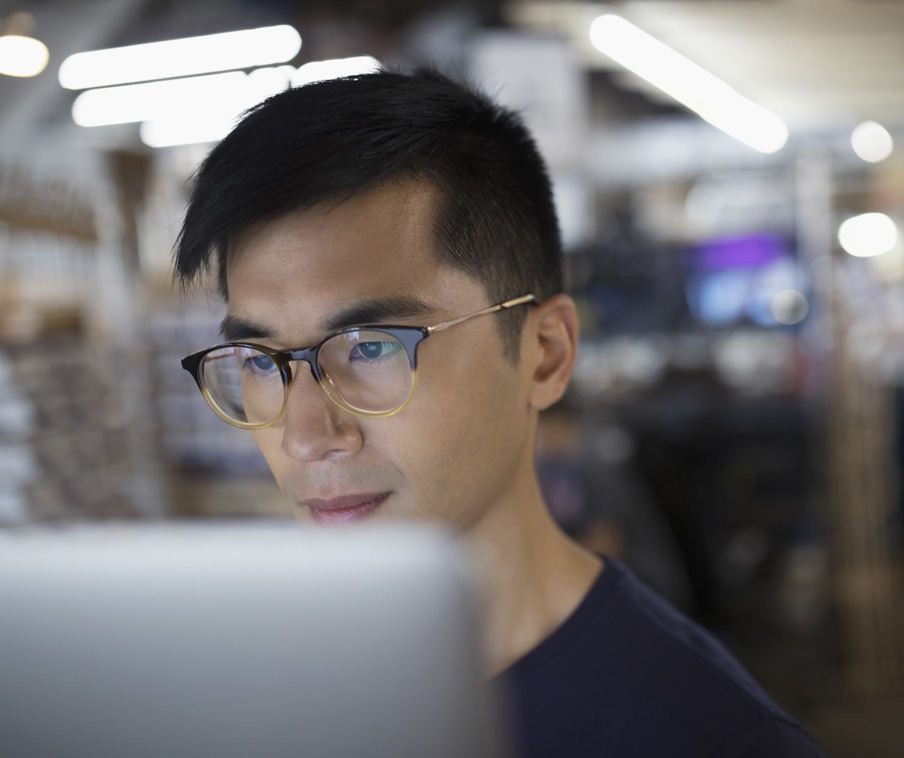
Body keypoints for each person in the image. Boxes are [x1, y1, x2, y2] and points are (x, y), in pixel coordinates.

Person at [173, 68, 822, 757]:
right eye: (256, 359)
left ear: (545, 355)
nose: (305, 437)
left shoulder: (712, 737)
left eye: (370, 347)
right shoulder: (262, 691)